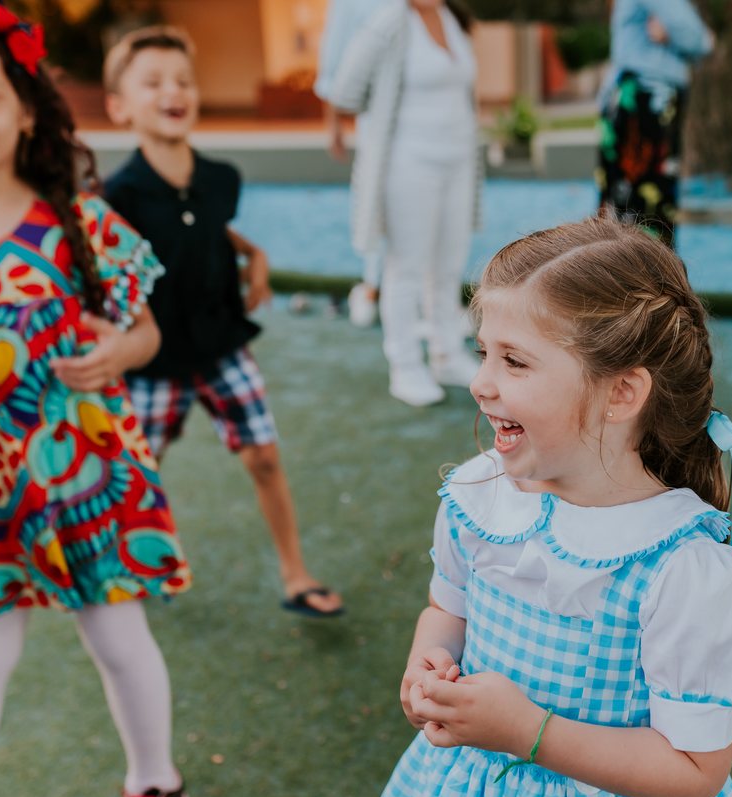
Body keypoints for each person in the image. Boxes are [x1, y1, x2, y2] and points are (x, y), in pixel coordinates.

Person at [0, 3, 191, 797]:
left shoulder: (73, 223)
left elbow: (144, 332)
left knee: (118, 636)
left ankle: (155, 781)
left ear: (27, 107)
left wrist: (119, 351)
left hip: (88, 473)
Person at [383, 218, 732, 797]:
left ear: (621, 393)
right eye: (483, 352)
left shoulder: (682, 571)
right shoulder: (478, 498)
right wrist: (427, 667)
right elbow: (448, 609)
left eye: (514, 361)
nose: (481, 383)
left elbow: (695, 772)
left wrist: (526, 732)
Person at [100, 27, 344, 617]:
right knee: (140, 470)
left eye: (182, 80)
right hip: (153, 359)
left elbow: (204, 227)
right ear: (119, 107)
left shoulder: (218, 178)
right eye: (152, 82)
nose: (172, 91)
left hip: (222, 343)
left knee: (263, 457)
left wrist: (254, 254)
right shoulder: (117, 196)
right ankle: (128, 567)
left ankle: (295, 574)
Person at [331, 0, 484, 407]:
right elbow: (345, 91)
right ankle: (405, 367)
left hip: (458, 162)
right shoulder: (389, 23)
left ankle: (446, 355)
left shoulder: (451, 16)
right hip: (408, 163)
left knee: (450, 262)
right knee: (408, 266)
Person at [598, 0, 713, 248]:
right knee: (645, 201)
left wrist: (674, 34)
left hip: (636, 98)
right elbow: (697, 39)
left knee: (627, 200)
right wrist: (699, 38)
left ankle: (623, 279)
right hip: (646, 100)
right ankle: (645, 282)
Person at [315, 0, 392, 328]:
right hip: (376, 122)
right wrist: (333, 126)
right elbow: (333, 63)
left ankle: (430, 302)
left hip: (429, 131)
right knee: (375, 205)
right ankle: (371, 287)